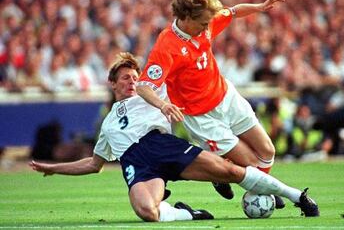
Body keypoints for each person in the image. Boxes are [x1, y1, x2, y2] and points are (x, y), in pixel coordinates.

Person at [30, 52, 319, 222]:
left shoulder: (153, 93)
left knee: (232, 170)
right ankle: (188, 214)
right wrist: (53, 168)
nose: (133, 82)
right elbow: (94, 164)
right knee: (147, 212)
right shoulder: (106, 125)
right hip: (138, 165)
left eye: (135, 77)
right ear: (113, 83)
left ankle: (296, 196)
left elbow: (184, 79)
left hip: (162, 146)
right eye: (126, 78)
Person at [136, 0, 286, 204]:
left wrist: (260, 7)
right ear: (186, 17)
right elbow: (143, 86)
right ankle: (260, 191)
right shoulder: (166, 46)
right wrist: (163, 104)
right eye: (203, 24)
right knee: (250, 163)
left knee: (267, 151)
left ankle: (259, 190)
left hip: (226, 97)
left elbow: (233, 11)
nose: (208, 27)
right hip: (201, 117)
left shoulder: (205, 21)